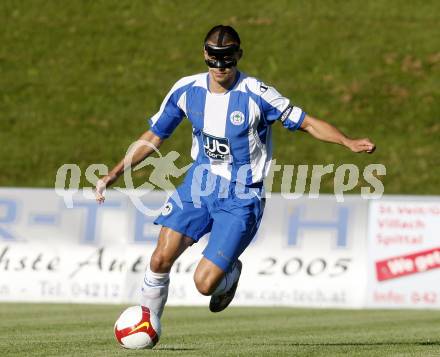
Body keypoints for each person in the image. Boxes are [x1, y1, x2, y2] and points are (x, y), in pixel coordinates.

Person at [95, 25, 375, 318]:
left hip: (242, 196)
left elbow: (307, 122)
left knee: (203, 284)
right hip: (199, 184)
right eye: (214, 57)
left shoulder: (257, 94)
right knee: (160, 258)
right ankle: (146, 326)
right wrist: (113, 174)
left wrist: (347, 141)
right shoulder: (186, 90)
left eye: (227, 57)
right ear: (204, 54)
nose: (220, 65)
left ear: (238, 55)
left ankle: (229, 272)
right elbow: (154, 136)